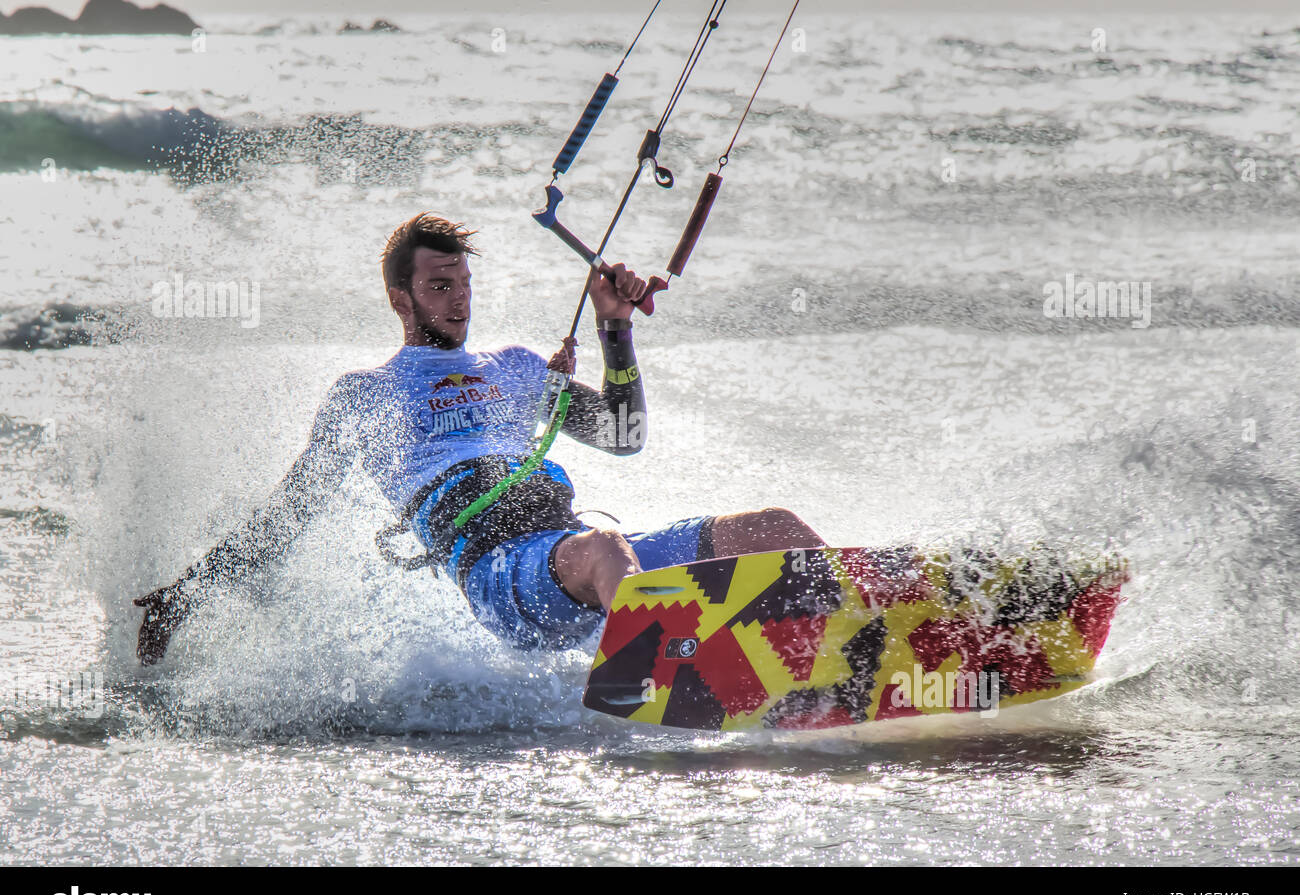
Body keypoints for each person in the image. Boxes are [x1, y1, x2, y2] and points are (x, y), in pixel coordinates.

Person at [134, 213, 824, 663]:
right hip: (503, 574)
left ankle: (864, 637)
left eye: (464, 284)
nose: (460, 301)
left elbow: (623, 433)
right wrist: (185, 593)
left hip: (579, 555)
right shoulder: (364, 393)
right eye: (440, 287)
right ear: (401, 300)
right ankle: (678, 672)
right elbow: (285, 520)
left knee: (774, 528)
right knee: (605, 550)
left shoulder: (517, 368)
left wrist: (616, 327)